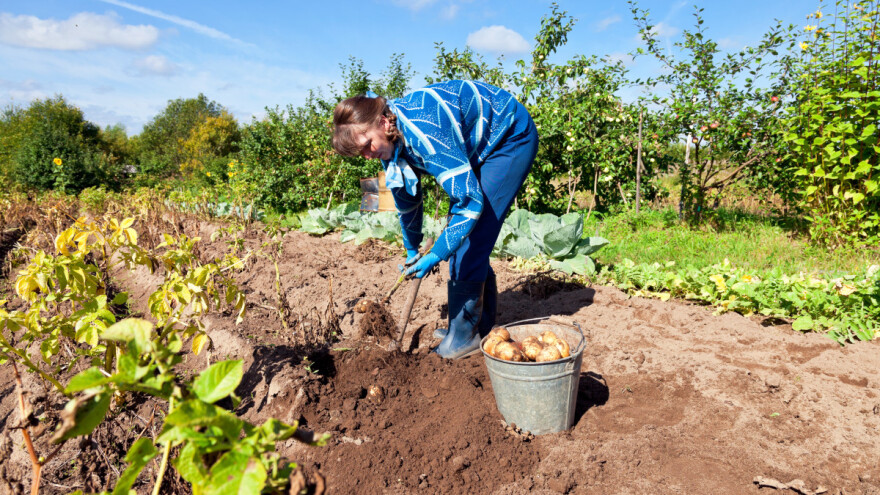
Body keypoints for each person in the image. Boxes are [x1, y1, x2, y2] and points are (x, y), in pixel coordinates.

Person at [332, 80, 538, 358]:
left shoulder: (424, 134)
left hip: (509, 137)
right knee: (465, 236)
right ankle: (478, 327)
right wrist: (412, 249)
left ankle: (463, 337)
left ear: (382, 122)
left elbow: (469, 203)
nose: (368, 155)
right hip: (478, 146)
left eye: (367, 145)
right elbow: (406, 199)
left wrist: (437, 254)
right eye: (362, 153)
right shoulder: (390, 141)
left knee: (471, 235)